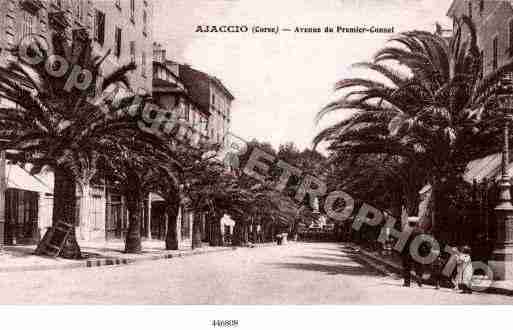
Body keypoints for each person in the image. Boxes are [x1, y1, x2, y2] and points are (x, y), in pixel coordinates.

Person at [401, 219, 424, 287]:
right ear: (416, 223)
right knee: (419, 266)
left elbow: (402, 242)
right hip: (418, 251)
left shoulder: (406, 231)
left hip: (407, 252)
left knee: (407, 267)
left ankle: (407, 282)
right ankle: (419, 276)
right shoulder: (421, 231)